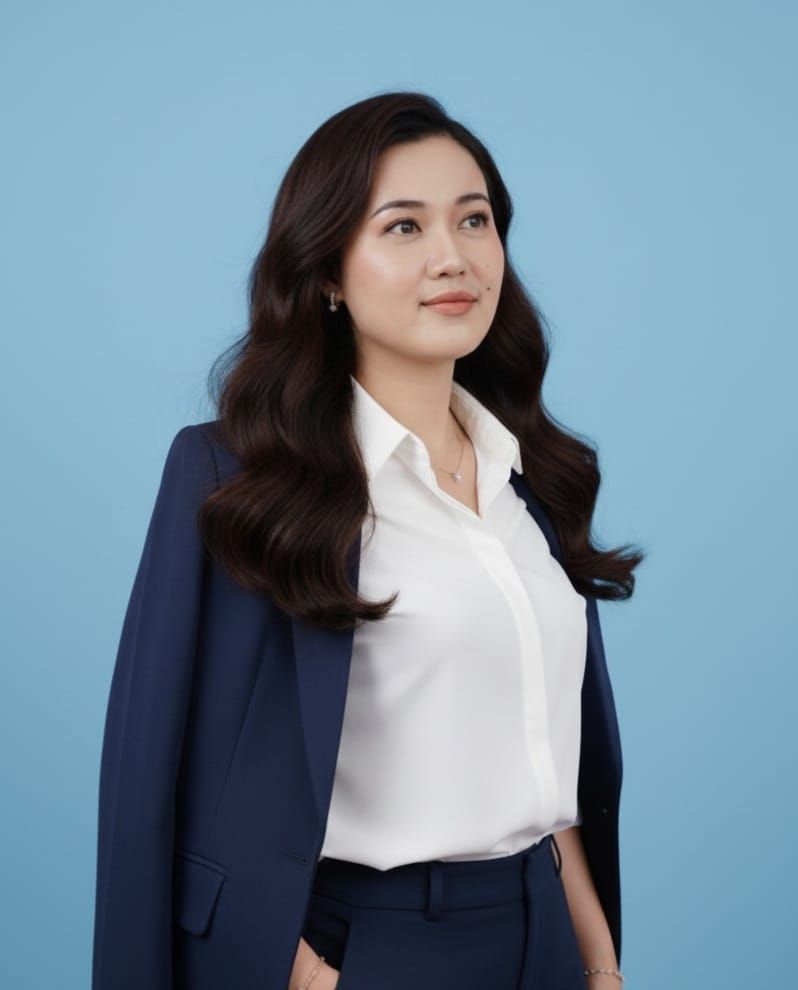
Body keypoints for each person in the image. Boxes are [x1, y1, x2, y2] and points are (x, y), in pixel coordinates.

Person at [92, 91, 644, 990]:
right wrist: (311, 979)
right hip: (369, 947)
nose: (452, 256)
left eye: (474, 220)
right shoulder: (238, 480)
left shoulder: (531, 475)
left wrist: (599, 963)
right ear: (328, 274)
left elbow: (551, 767)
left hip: (543, 932)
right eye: (403, 226)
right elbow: (152, 777)